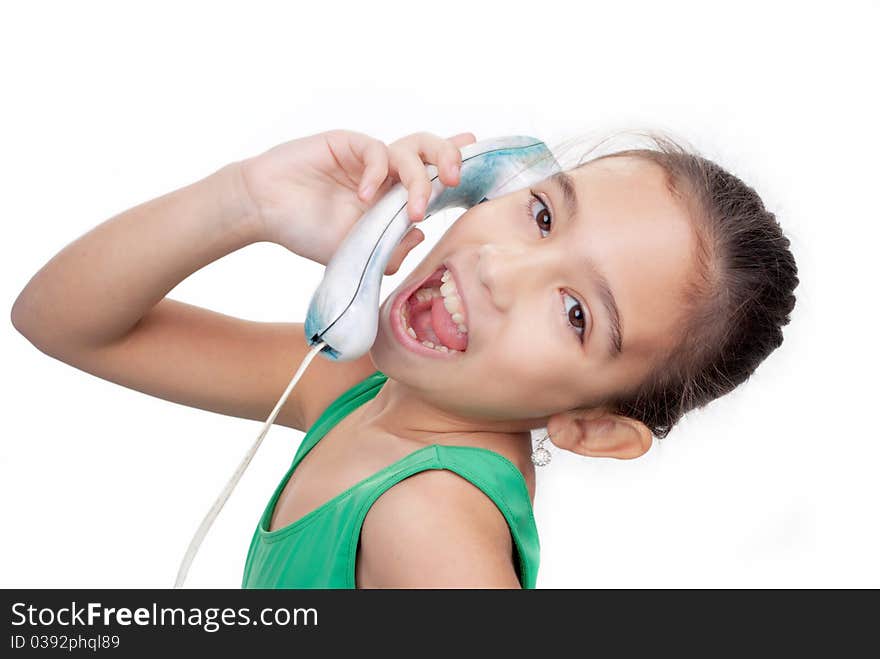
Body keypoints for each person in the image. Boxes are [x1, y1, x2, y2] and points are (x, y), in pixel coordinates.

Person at [10, 128, 799, 588]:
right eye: (542, 212)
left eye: (575, 312)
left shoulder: (430, 521)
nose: (498, 268)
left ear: (594, 425)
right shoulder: (364, 389)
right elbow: (62, 320)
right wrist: (246, 199)